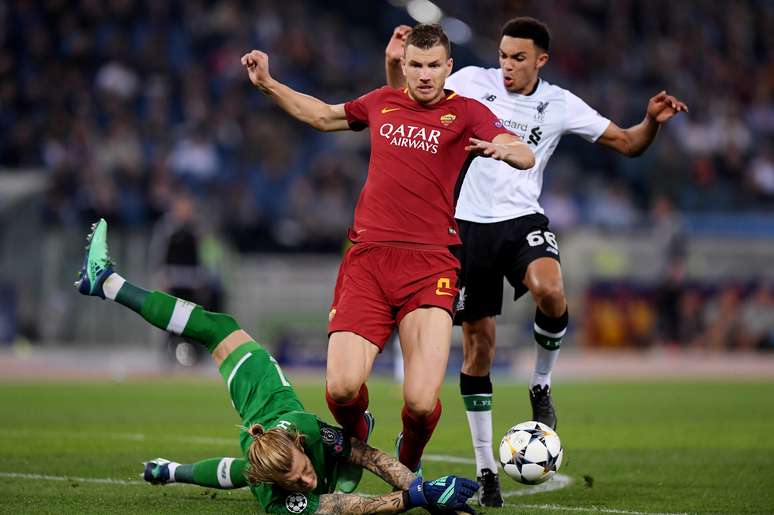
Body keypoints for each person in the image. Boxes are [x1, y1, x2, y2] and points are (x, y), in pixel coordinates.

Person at [385, 18, 688, 506]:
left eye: (518, 57)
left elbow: (629, 143)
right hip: (464, 227)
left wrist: (650, 120)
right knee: (478, 348)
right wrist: (396, 60)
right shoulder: (468, 82)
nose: (507, 65)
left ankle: (541, 384)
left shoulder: (561, 103)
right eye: (503, 55)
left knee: (551, 290)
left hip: (522, 218)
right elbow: (402, 98)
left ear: (541, 61)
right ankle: (486, 470)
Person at [240, 23, 535, 492]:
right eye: (415, 65)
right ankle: (357, 440)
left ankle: (408, 457)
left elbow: (524, 154)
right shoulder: (381, 101)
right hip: (368, 261)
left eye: (433, 65)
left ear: (448, 68)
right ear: (405, 66)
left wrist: (505, 150)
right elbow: (321, 115)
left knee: (420, 402)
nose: (423, 75)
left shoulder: (467, 113)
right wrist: (269, 84)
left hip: (432, 263)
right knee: (339, 388)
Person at [75, 218, 479, 515]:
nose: (304, 481)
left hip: (262, 399)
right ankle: (108, 285)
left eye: (302, 473)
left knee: (219, 330)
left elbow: (370, 458)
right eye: (299, 481)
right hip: (269, 432)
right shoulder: (277, 498)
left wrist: (420, 488)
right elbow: (345, 507)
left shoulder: (303, 429)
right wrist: (416, 498)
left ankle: (110, 285)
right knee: (218, 334)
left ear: (300, 446)